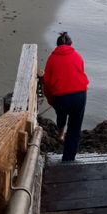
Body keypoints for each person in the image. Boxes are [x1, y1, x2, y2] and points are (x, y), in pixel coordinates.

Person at [42, 31, 89, 161]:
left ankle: (61, 132)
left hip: (61, 97)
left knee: (61, 116)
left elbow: (47, 84)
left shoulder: (52, 59)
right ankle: (68, 158)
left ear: (57, 45)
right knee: (75, 127)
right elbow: (80, 74)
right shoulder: (77, 56)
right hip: (80, 94)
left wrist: (51, 100)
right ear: (70, 44)